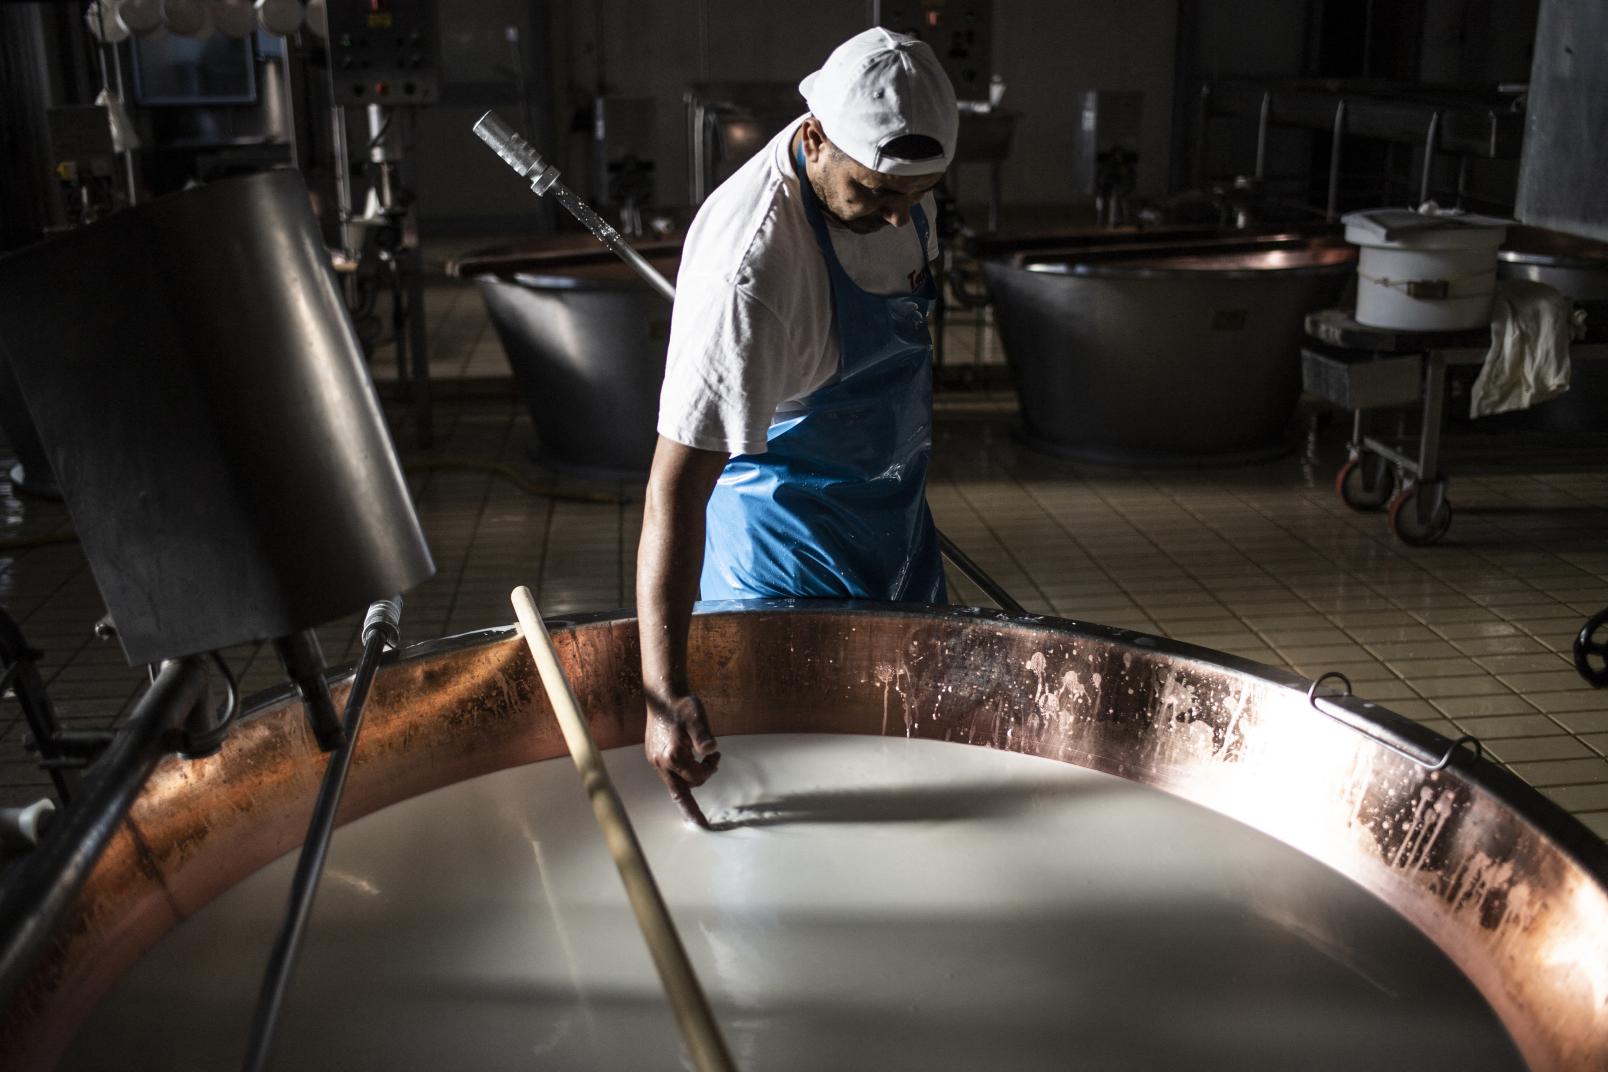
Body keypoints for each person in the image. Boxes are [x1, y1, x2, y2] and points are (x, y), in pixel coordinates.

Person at [636, 28, 958, 825]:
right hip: (785, 562)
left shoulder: (893, 181)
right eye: (876, 193)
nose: (898, 217)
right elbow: (672, 493)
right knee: (806, 801)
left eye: (917, 194)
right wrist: (664, 694)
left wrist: (898, 509)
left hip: (896, 527)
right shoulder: (750, 275)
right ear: (815, 138)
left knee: (924, 783)